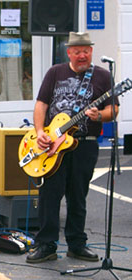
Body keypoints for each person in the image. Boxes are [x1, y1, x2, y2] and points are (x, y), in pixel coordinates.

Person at [26, 32, 119, 263]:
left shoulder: (103, 76)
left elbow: (114, 110)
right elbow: (41, 105)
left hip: (84, 145)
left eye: (86, 51)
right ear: (69, 52)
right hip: (52, 146)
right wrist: (40, 133)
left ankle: (77, 244)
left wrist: (99, 116)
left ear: (91, 52)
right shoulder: (55, 72)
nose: (82, 55)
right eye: (77, 51)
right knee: (49, 195)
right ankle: (46, 245)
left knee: (78, 196)